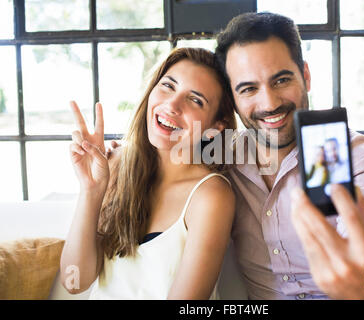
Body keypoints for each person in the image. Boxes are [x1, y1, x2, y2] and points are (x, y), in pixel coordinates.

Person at [214, 12, 364, 299]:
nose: (270, 103)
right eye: (249, 88)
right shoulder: (222, 158)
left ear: (306, 76)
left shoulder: (355, 154)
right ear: (233, 98)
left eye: (281, 80)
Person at [60, 47, 237, 299]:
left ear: (215, 128)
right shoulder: (117, 164)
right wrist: (91, 189)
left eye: (195, 100)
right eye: (168, 86)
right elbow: (74, 282)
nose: (172, 105)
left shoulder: (210, 195)